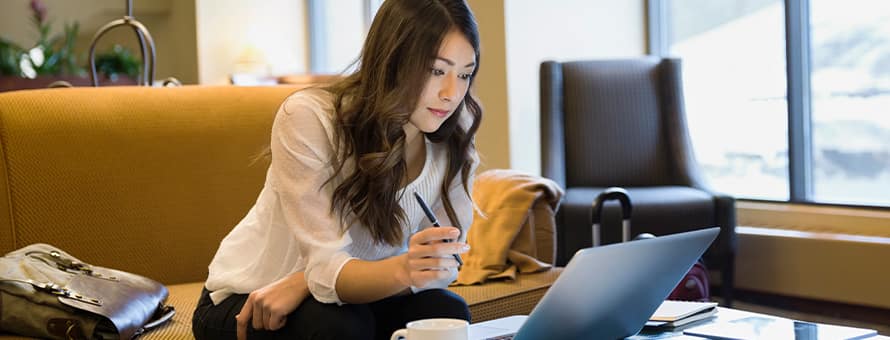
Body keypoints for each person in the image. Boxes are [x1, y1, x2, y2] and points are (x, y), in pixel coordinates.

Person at [191, 0, 483, 339]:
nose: (451, 94)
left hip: (352, 295)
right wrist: (391, 269)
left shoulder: (454, 133)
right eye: (436, 71)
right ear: (393, 60)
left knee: (445, 312)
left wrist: (307, 281)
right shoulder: (310, 118)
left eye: (464, 74)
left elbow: (442, 267)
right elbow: (326, 266)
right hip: (253, 295)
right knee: (339, 325)